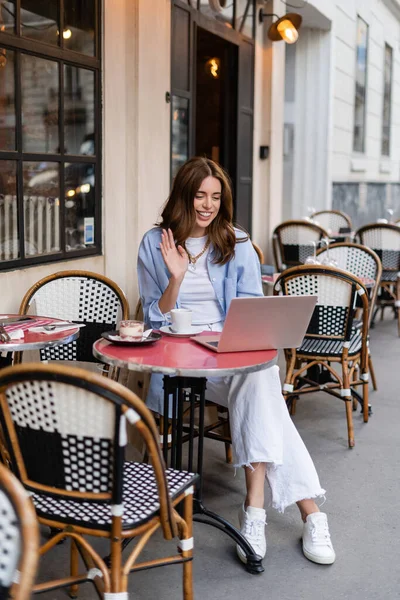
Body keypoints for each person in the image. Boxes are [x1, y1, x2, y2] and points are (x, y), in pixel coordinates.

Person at [137, 157, 335, 566]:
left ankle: (256, 509)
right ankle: (309, 514)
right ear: (183, 196)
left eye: (215, 197)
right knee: (265, 392)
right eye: (199, 196)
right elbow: (154, 321)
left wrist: (242, 338)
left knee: (258, 379)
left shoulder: (236, 242)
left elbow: (251, 311)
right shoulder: (154, 243)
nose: (208, 205)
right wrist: (175, 278)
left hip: (229, 355)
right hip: (181, 361)